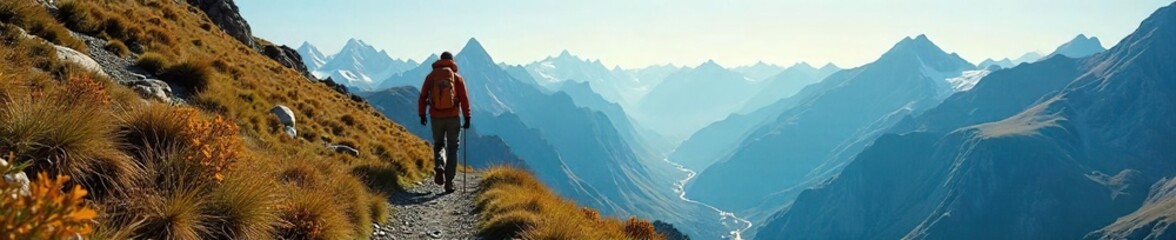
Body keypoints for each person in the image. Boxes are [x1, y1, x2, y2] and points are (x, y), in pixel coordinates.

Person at [418, 51, 471, 193]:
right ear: (452, 61)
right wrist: (467, 117)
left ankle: (440, 165)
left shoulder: (431, 77)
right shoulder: (456, 77)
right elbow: (464, 99)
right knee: (453, 148)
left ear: (440, 60)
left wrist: (422, 114)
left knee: (439, 144)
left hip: (436, 117)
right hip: (453, 117)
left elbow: (423, 96)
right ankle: (449, 183)